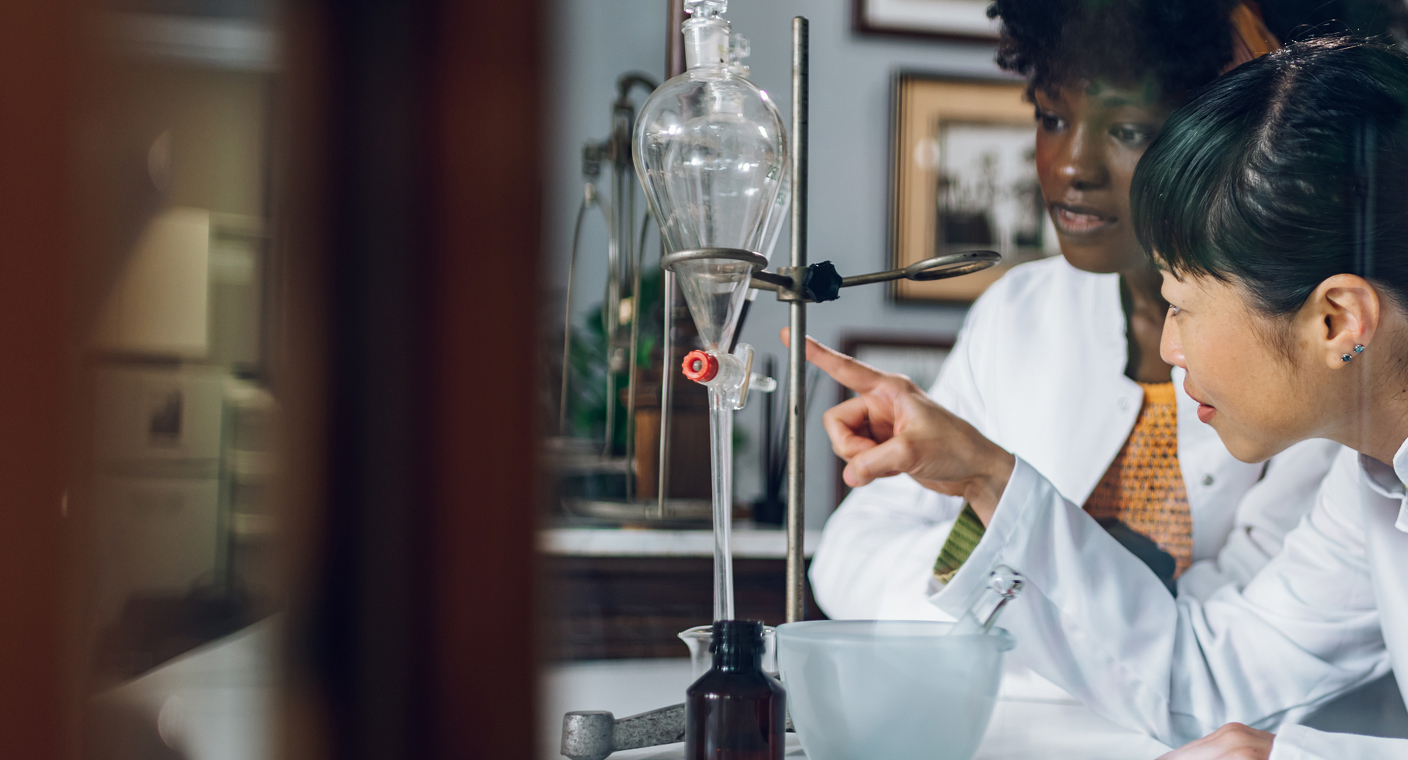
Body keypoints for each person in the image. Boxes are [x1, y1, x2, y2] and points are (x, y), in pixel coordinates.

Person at [802, 36, 1408, 760]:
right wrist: (989, 480)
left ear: (1337, 321)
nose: (1172, 350)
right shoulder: (1371, 475)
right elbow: (1211, 679)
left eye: (1183, 306)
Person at [810, 0, 1339, 630]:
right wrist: (1045, 566)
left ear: (1209, 137)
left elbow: (1246, 633)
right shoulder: (1019, 313)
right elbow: (849, 561)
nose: (1071, 167)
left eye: (1128, 130)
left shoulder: (1302, 326)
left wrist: (1009, 548)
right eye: (1053, 117)